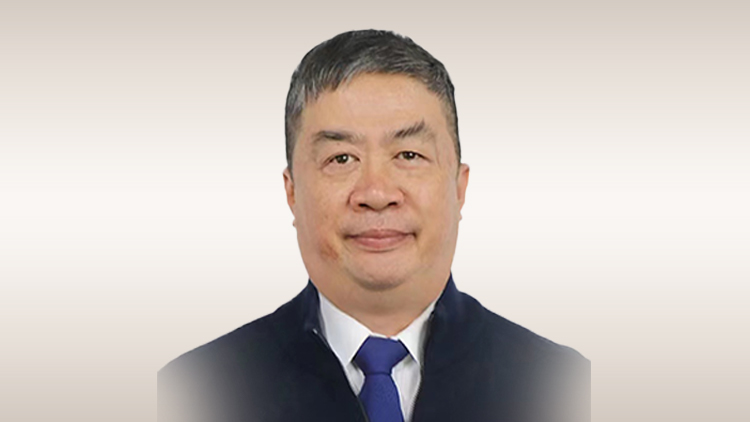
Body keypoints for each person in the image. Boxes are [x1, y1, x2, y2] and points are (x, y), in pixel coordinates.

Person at [158, 29, 590, 422]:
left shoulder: (560, 386)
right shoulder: (199, 392)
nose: (377, 192)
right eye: (341, 158)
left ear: (459, 187)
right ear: (292, 192)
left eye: (409, 155)